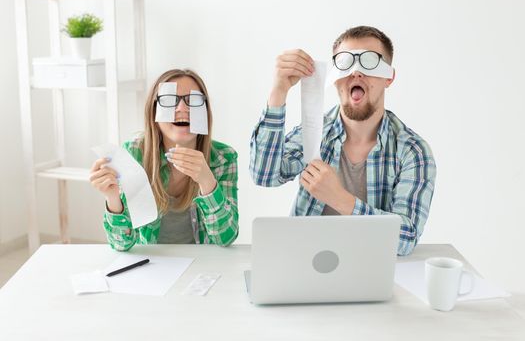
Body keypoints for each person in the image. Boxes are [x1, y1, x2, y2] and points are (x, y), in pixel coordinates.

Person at [250, 26, 436, 255]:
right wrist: (278, 92)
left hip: (371, 269)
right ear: (334, 77)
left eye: (369, 62)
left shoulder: (413, 152)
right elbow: (264, 175)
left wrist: (340, 199)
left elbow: (406, 239)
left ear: (389, 77)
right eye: (345, 63)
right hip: (305, 263)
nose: (356, 73)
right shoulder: (315, 133)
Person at [90, 69, 238, 251]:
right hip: (152, 266)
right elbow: (122, 244)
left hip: (202, 266)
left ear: (205, 111)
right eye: (169, 100)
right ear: (154, 112)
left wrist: (208, 182)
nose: (182, 109)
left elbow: (226, 239)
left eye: (193, 100)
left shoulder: (223, 158)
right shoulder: (134, 153)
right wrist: (113, 199)